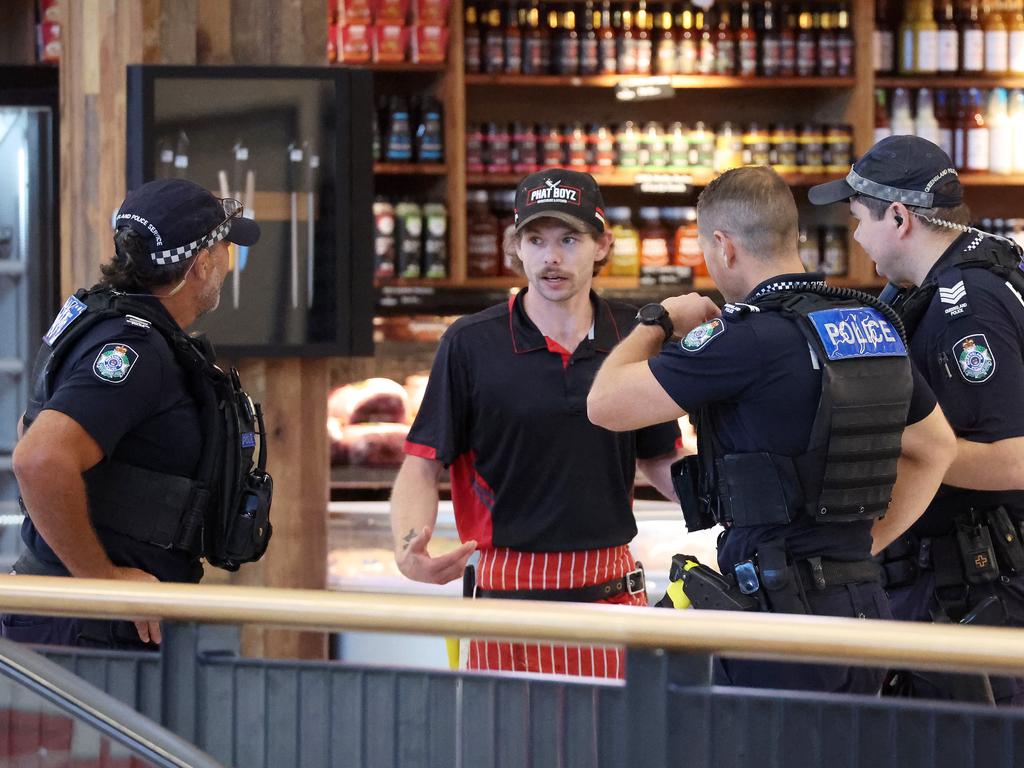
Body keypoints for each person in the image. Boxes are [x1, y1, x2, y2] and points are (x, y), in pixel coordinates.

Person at [588, 165, 956, 694]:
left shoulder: (743, 338)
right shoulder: (868, 322)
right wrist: (860, 545)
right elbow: (935, 449)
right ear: (793, 236)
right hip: (866, 605)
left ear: (723, 246)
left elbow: (604, 405)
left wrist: (660, 320)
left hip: (777, 617)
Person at [389, 168, 681, 678]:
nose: (551, 256)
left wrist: (730, 496)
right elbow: (421, 466)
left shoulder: (634, 337)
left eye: (569, 238)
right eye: (536, 239)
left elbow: (659, 456)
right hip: (504, 597)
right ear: (516, 247)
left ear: (601, 245)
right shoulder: (470, 343)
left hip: (611, 594)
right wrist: (409, 549)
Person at [810, 135, 1024, 704]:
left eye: (858, 219)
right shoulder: (957, 277)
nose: (855, 235)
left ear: (899, 217)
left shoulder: (966, 303)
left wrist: (900, 446)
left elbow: (1015, 458)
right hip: (957, 582)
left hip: (978, 587)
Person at [7, 178, 262, 650]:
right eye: (226, 249)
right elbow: (38, 459)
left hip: (83, 622)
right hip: (89, 631)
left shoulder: (107, 324)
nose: (228, 263)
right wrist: (103, 581)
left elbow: (30, 425)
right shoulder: (134, 350)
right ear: (202, 264)